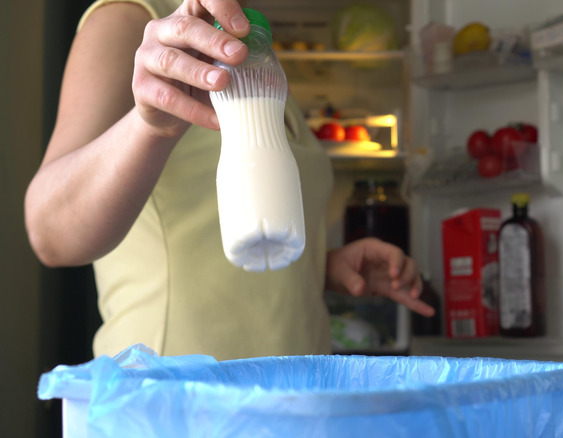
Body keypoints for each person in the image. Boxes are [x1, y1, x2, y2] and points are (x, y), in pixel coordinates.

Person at [24, 0, 433, 361]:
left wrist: (322, 266)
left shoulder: (251, 54)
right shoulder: (129, 19)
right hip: (175, 406)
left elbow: (210, 237)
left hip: (291, 401)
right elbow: (51, 232)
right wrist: (149, 125)